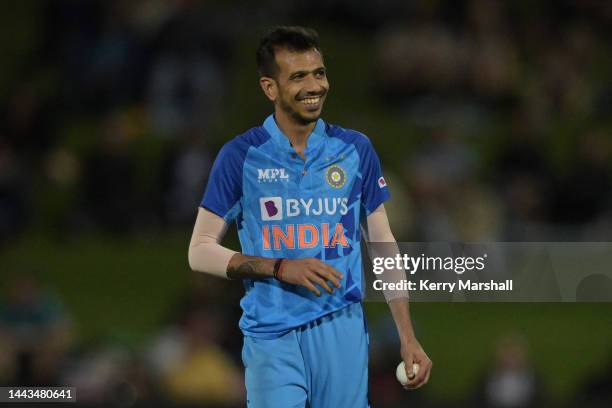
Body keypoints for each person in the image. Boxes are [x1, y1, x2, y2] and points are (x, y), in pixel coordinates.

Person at [188, 26, 431, 408]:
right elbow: (199, 251)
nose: (314, 85)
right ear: (270, 88)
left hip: (342, 328)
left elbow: (383, 245)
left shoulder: (355, 150)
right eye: (298, 76)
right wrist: (281, 267)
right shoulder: (240, 157)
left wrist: (407, 334)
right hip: (271, 333)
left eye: (318, 72)